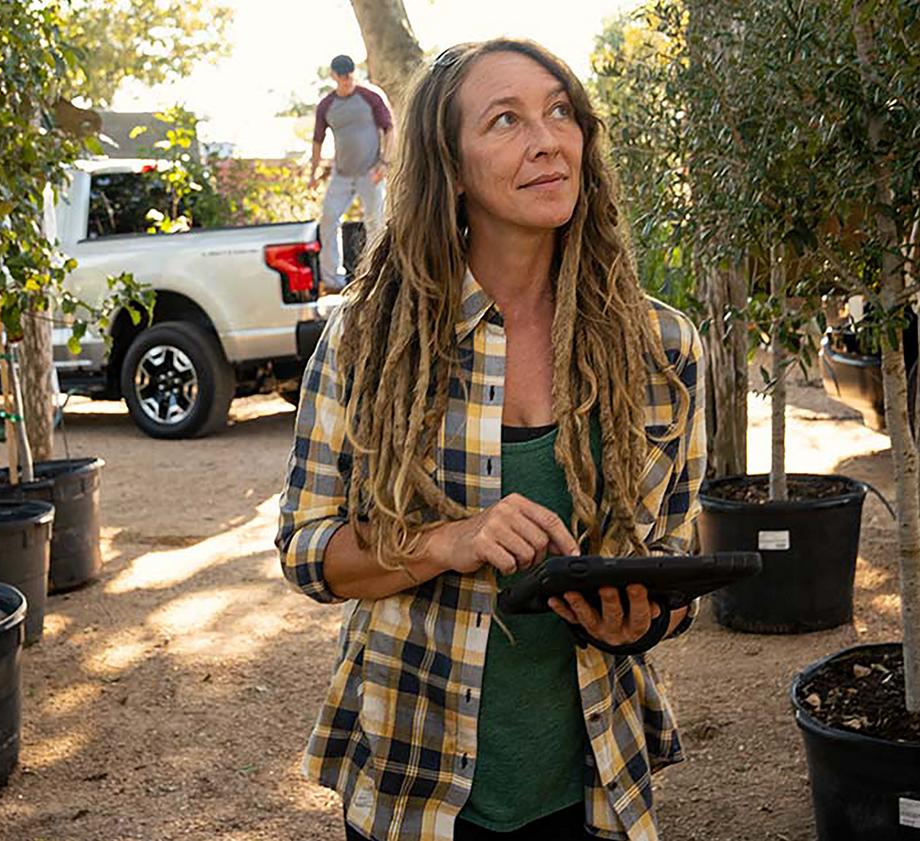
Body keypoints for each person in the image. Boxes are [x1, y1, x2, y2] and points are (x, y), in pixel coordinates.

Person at [276, 38, 706, 841]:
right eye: (505, 120)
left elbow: (672, 566)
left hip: (591, 783)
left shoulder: (662, 347)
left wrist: (641, 619)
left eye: (559, 112)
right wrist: (449, 540)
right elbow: (307, 551)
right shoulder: (371, 340)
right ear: (451, 166)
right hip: (415, 784)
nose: (548, 139)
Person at [310, 54, 394, 291]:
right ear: (334, 76)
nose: (348, 81)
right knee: (328, 219)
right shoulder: (327, 105)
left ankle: (378, 278)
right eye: (343, 78)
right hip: (342, 174)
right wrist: (313, 174)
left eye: (351, 76)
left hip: (371, 171)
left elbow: (390, 129)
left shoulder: (370, 96)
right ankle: (332, 281)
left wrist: (384, 164)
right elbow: (317, 141)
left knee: (376, 222)